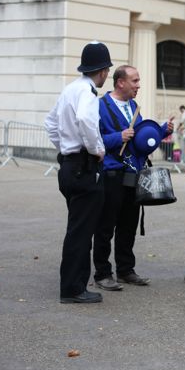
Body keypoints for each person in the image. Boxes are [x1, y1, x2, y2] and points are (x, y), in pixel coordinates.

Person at [93, 65, 173, 291]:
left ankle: (126, 270)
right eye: (135, 81)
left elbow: (140, 142)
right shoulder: (100, 106)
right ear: (120, 82)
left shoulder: (134, 107)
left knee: (129, 224)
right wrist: (118, 137)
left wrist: (161, 131)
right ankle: (102, 273)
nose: (138, 85)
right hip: (111, 174)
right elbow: (93, 140)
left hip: (133, 173)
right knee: (106, 225)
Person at [45, 41, 111, 304]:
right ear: (104, 70)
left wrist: (64, 148)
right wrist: (97, 149)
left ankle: (74, 284)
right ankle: (73, 288)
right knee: (82, 232)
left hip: (69, 166)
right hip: (84, 167)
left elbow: (50, 123)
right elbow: (85, 120)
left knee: (77, 227)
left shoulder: (70, 89)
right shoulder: (88, 93)